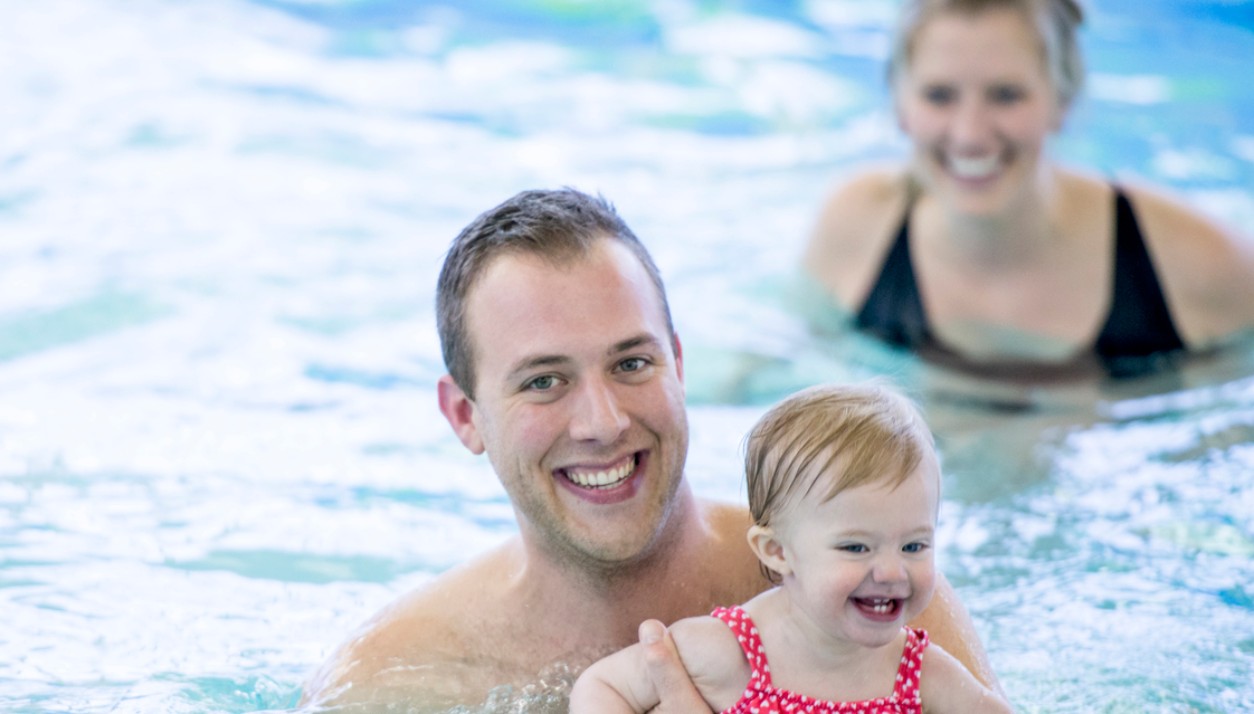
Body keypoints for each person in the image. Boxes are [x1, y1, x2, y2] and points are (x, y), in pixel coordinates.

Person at [299, 188, 1004, 712]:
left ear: (679, 366)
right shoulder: (399, 679)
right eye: (544, 382)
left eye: (632, 364)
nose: (602, 422)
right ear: (465, 415)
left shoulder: (871, 589)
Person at [803, 0, 1254, 379]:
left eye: (1006, 95)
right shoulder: (856, 227)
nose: (970, 135)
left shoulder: (1198, 263)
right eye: (939, 95)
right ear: (899, 104)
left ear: (1063, 101)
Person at [570, 383, 1010, 713]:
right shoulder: (730, 653)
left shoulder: (921, 676)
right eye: (856, 548)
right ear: (777, 551)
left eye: (914, 545)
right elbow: (600, 688)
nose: (893, 572)